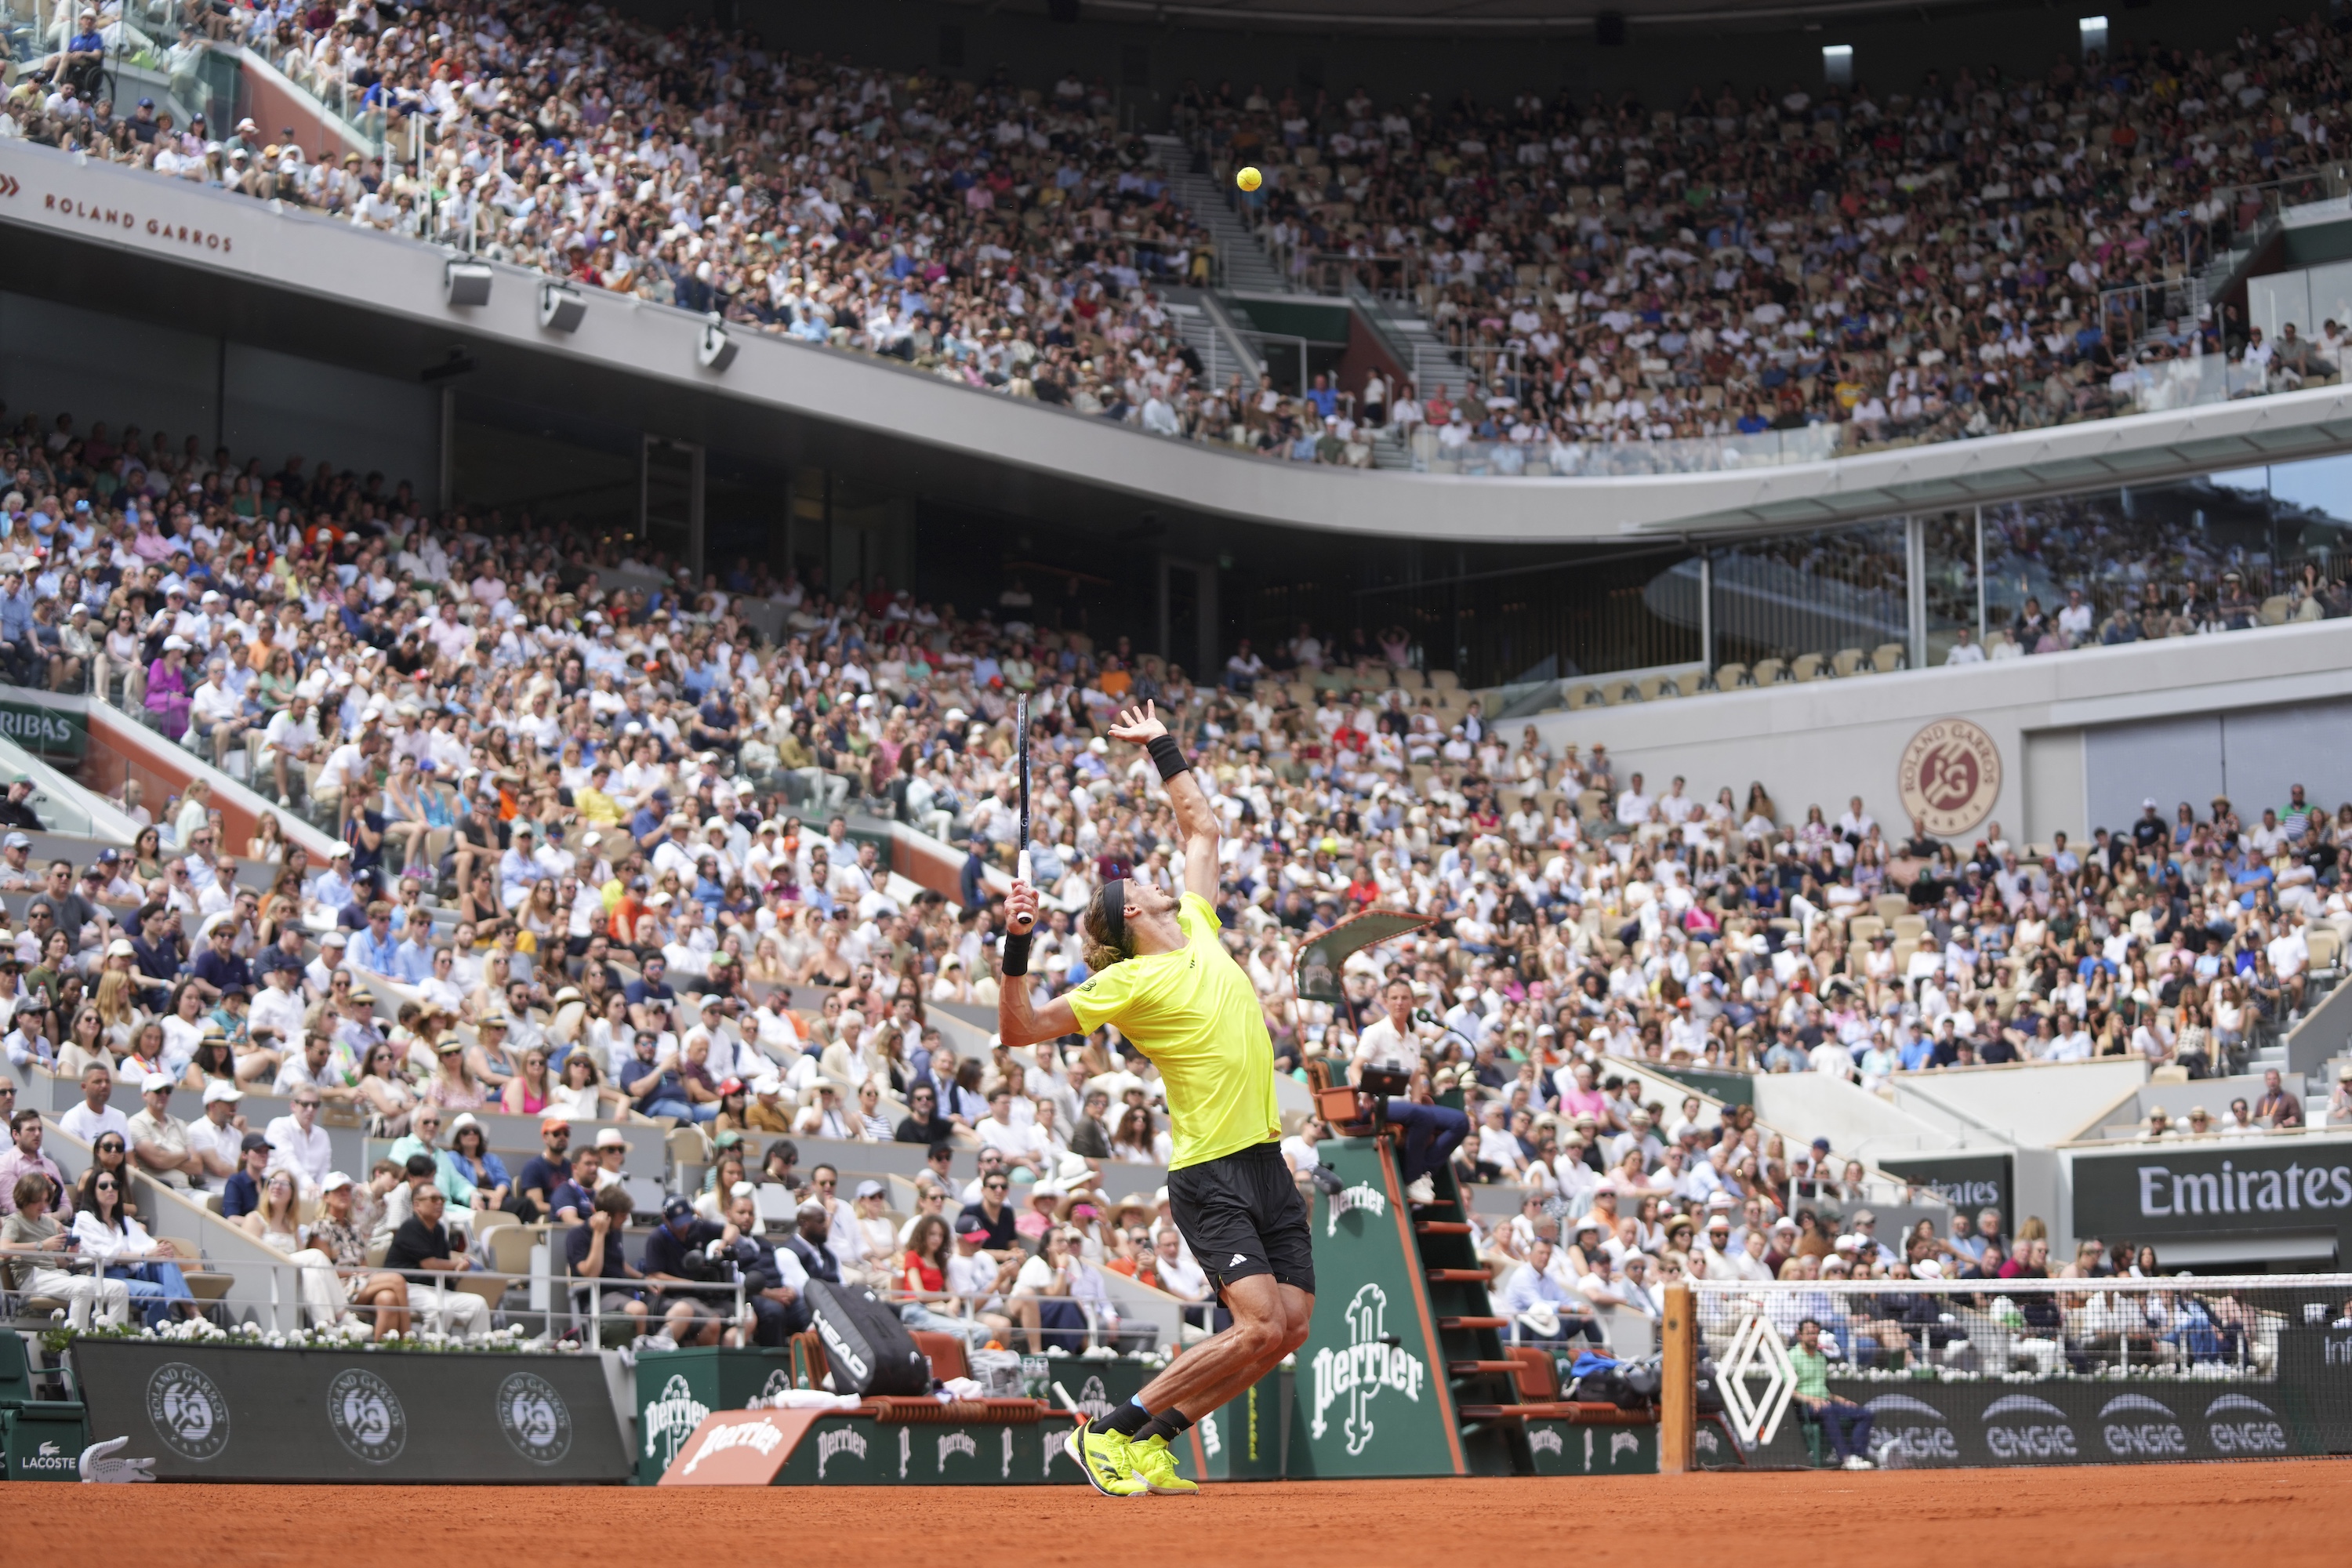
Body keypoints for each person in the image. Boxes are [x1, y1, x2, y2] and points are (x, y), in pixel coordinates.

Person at [1001, 701, 1309, 1498]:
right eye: (1135, 882)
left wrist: (1161, 747)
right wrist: (1017, 944)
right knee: (1258, 1323)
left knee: (1288, 1329)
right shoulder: (1128, 981)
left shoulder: (1201, 924)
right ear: (1130, 911)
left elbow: (1202, 828)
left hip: (1265, 1160)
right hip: (1211, 1171)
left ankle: (1152, 1440)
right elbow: (1021, 1028)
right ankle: (1105, 1430)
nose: (1148, 877)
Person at [1352, 976, 1472, 1202]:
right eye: (1394, 998)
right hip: (1379, 1104)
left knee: (1460, 1122)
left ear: (1412, 1002)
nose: (1399, 1003)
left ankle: (1424, 1171)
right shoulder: (1375, 1032)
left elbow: (1416, 1078)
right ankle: (1412, 1177)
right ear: (1386, 1002)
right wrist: (1363, 1090)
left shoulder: (1413, 1039)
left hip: (1406, 1106)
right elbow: (1355, 1068)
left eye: (1405, 998)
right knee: (1421, 1116)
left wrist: (1417, 1102)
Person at [1, 1172, 129, 1329]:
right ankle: (76, 1339)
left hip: (57, 1275)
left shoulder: (49, 1222)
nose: (42, 1205)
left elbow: (60, 1263)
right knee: (82, 1289)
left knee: (119, 1289)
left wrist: (69, 1255)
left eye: (46, 1200)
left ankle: (114, 1338)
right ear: (24, 1198)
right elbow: (4, 1249)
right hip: (32, 1278)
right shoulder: (15, 1221)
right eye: (37, 1201)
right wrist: (42, 1245)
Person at [383, 1182, 490, 1340]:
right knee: (442, 1309)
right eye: (433, 1199)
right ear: (417, 1205)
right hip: (408, 1287)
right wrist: (458, 1263)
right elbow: (430, 1265)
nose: (440, 1203)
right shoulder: (410, 1227)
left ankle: (481, 1350)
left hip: (436, 1288)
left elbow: (442, 1268)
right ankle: (431, 1348)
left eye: (442, 1199)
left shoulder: (439, 1230)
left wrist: (458, 1271)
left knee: (478, 1304)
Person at [1790, 1316, 1875, 1469]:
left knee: (1865, 1414)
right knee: (1827, 1409)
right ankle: (1846, 1458)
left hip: (1825, 1402)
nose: (1813, 1337)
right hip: (1804, 1408)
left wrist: (1841, 1400)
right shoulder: (1792, 1357)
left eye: (1816, 1333)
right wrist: (1812, 1400)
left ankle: (1858, 1456)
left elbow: (1823, 1390)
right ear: (1799, 1334)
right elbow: (1789, 1391)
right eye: (1809, 1333)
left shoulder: (1820, 1357)